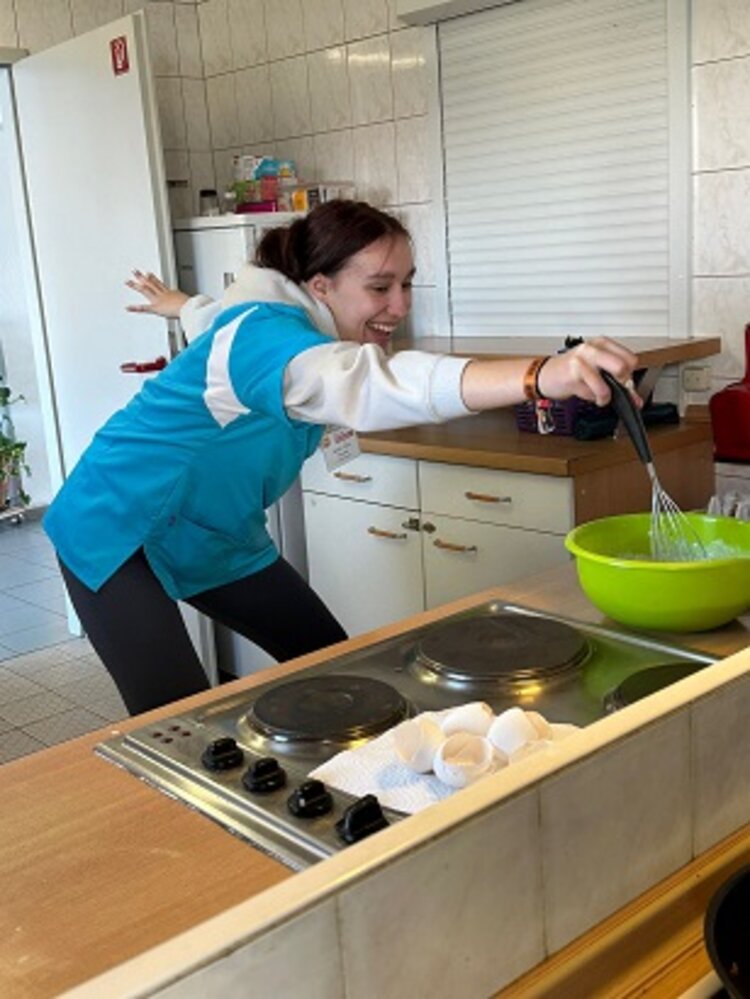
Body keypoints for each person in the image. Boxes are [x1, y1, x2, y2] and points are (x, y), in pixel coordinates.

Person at [44, 200, 638, 715]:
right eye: (380, 287)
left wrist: (180, 304)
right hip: (114, 523)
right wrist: (541, 374)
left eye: (407, 284)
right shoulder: (264, 336)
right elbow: (361, 384)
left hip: (210, 531)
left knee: (332, 660)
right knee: (175, 718)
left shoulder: (283, 317)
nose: (399, 305)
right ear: (320, 286)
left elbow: (210, 314)